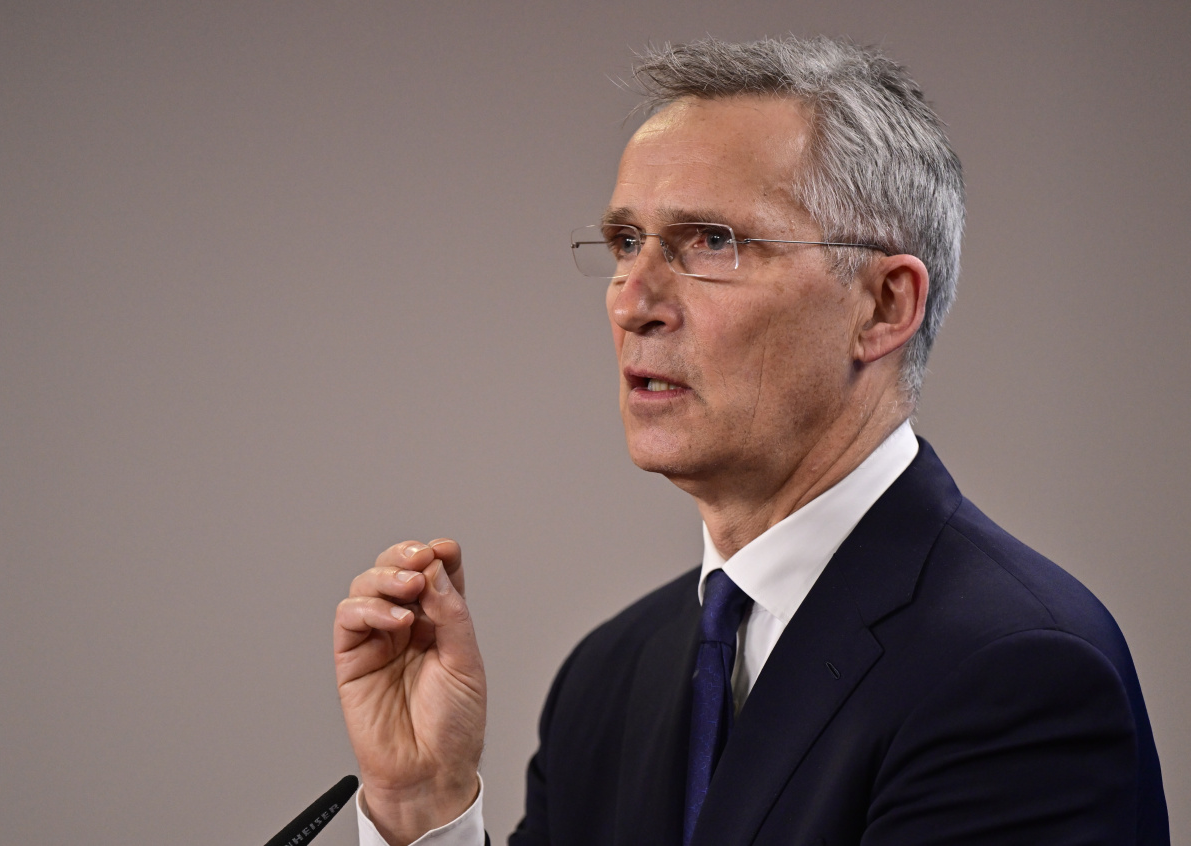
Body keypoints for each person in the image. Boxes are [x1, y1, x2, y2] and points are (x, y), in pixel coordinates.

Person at [333, 35, 1169, 846]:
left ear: (883, 306)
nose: (631, 302)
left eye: (711, 241)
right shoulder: (609, 676)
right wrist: (425, 807)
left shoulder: (1016, 670)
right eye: (626, 243)